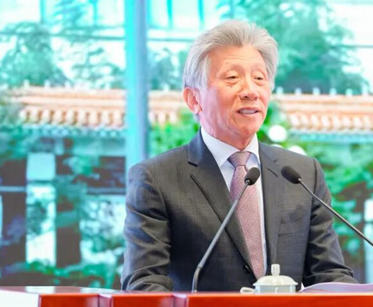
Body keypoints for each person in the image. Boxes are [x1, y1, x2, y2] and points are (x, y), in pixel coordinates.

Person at [122, 20, 356, 292]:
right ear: (194, 99)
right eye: (232, 78)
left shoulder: (302, 174)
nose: (250, 91)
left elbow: (329, 274)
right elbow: (144, 285)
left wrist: (368, 300)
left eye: (259, 78)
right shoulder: (156, 179)